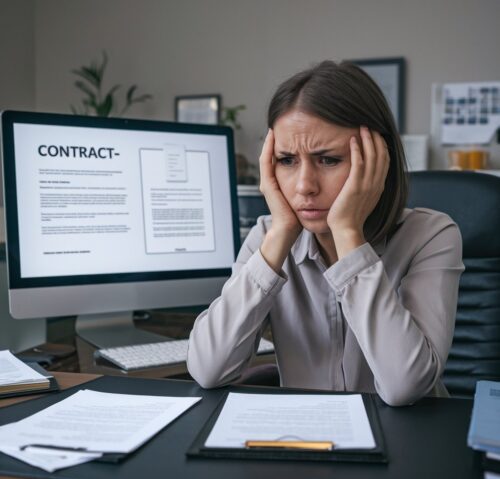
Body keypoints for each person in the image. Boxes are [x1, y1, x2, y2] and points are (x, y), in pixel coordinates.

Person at [187, 60, 464, 406]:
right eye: (286, 160)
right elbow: (207, 369)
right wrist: (280, 235)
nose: (304, 186)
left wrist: (348, 233)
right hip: (303, 442)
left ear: (379, 161)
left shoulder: (432, 236)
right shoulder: (268, 238)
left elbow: (405, 386)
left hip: (406, 444)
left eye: (329, 160)